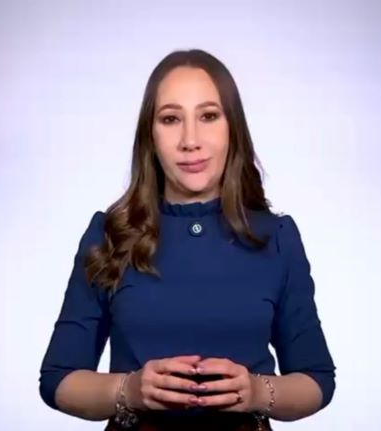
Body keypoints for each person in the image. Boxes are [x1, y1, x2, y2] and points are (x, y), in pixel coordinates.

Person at [38, 49, 336, 431]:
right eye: (171, 119)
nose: (190, 140)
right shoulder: (109, 233)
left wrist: (257, 393)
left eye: (208, 116)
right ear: (150, 135)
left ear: (232, 128)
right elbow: (58, 379)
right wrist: (128, 390)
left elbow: (317, 380)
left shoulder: (277, 238)